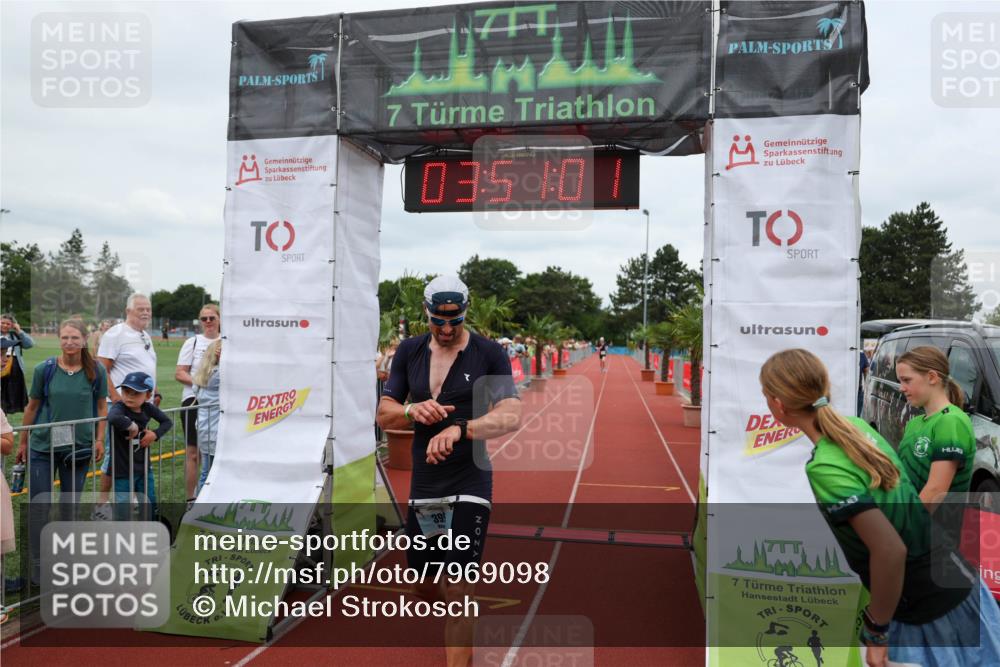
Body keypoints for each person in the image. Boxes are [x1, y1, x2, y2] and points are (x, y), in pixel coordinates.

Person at [759, 349, 1000, 667]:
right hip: (959, 589)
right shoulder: (858, 427)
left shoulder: (825, 466)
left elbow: (890, 550)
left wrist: (876, 631)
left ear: (777, 404)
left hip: (927, 611)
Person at [376, 275, 522, 667]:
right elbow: (384, 411)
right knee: (424, 584)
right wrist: (411, 410)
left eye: (454, 321)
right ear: (426, 312)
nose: (446, 329)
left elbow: (512, 413)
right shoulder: (409, 351)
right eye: (438, 321)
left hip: (470, 478)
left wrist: (463, 428)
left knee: (459, 586)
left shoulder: (489, 353)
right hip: (427, 482)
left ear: (465, 312)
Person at [14, 319, 107, 584]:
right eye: (65, 337)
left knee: (70, 508)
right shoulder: (46, 369)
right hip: (42, 447)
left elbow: (102, 407)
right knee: (40, 507)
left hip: (77, 450)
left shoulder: (96, 370)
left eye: (75, 338)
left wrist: (100, 439)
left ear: (84, 340)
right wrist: (23, 442)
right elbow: (31, 408)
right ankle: (38, 566)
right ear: (59, 339)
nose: (69, 342)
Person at [95, 294, 159, 516]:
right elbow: (102, 369)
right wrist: (117, 398)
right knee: (115, 457)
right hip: (123, 409)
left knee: (133, 453)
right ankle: (101, 505)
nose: (145, 312)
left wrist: (154, 394)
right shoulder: (116, 334)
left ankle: (129, 496)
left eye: (148, 309)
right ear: (128, 311)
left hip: (140, 407)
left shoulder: (143, 335)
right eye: (140, 308)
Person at [895, 346, 975, 512]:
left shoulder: (951, 421)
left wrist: (904, 527)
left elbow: (936, 490)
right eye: (900, 381)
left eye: (906, 380)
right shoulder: (915, 423)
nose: (901, 388)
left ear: (932, 377)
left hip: (938, 532)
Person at [107, 371, 172, 521]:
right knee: (122, 507)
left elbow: (167, 422)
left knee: (148, 502)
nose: (129, 396)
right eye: (126, 391)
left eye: (136, 393)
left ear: (148, 396)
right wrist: (132, 426)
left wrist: (155, 434)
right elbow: (113, 417)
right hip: (121, 470)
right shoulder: (120, 407)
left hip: (143, 468)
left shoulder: (148, 408)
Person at [174, 304, 221, 505]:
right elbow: (179, 372)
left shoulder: (228, 341)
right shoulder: (193, 342)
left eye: (212, 318)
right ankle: (191, 499)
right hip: (194, 402)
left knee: (216, 454)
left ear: (219, 319)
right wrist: (203, 384)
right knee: (194, 454)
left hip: (219, 406)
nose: (208, 322)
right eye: (204, 319)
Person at [192, 339, 221, 494]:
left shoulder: (205, 373)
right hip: (214, 430)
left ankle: (197, 503)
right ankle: (199, 505)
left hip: (205, 428)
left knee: (206, 471)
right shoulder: (218, 374)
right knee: (210, 473)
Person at [1, 313, 35, 414]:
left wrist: (19, 331)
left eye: (8, 324)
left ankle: (6, 422)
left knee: (12, 395)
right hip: (1, 365)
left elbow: (29, 344)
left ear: (12, 325)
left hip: (15, 367)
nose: (5, 325)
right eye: (2, 323)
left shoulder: (15, 335)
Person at [858, 349, 870, 416]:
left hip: (858, 391)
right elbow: (866, 370)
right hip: (858, 390)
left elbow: (866, 370)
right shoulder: (861, 354)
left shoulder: (861, 354)